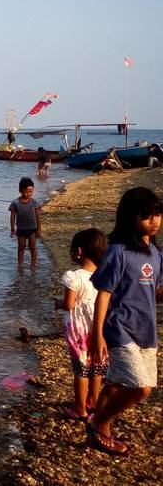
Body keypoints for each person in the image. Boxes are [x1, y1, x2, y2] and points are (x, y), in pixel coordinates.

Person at [85, 187, 162, 455]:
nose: (154, 221)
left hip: (146, 330)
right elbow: (103, 294)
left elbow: (154, 291)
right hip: (120, 328)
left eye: (157, 215)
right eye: (146, 216)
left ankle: (97, 428)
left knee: (120, 383)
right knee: (141, 388)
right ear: (130, 217)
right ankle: (99, 422)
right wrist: (98, 335)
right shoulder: (118, 251)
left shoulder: (155, 253)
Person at [53, 228, 108, 421]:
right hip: (100, 330)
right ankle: (92, 402)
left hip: (79, 331)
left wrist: (58, 303)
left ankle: (79, 408)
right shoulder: (105, 275)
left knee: (81, 370)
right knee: (97, 367)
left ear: (78, 251)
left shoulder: (73, 277)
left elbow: (69, 304)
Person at [9, 177, 42, 269]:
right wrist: (12, 229)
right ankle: (20, 265)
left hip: (32, 228)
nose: (29, 194)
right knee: (21, 247)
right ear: (20, 191)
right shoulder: (15, 203)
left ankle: (33, 264)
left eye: (31, 192)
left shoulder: (34, 202)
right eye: (26, 191)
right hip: (21, 229)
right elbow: (12, 216)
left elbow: (38, 216)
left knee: (32, 247)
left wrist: (39, 229)